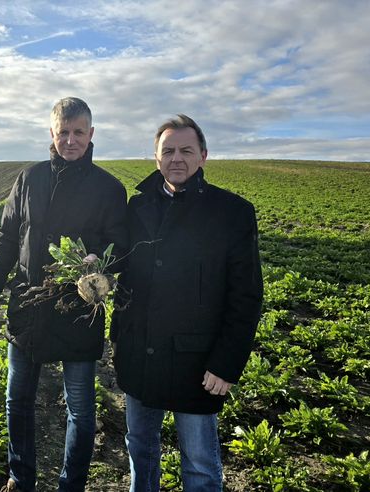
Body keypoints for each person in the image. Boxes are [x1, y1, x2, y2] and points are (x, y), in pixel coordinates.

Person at [0, 97, 128, 492]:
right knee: (17, 399)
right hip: (28, 305)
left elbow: (120, 245)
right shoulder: (30, 179)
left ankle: (71, 484)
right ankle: (20, 476)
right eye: (63, 132)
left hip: (78, 309)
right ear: (52, 133)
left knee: (79, 408)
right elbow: (7, 236)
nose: (71, 139)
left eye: (79, 132)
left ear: (91, 134)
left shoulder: (109, 188)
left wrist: (100, 266)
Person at [111, 114, 263, 491]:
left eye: (186, 150)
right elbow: (125, 270)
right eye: (168, 151)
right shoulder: (138, 208)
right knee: (141, 451)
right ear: (156, 158)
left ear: (203, 156)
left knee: (199, 464)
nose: (176, 158)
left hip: (196, 361)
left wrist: (227, 363)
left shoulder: (231, 213)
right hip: (140, 353)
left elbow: (246, 296)